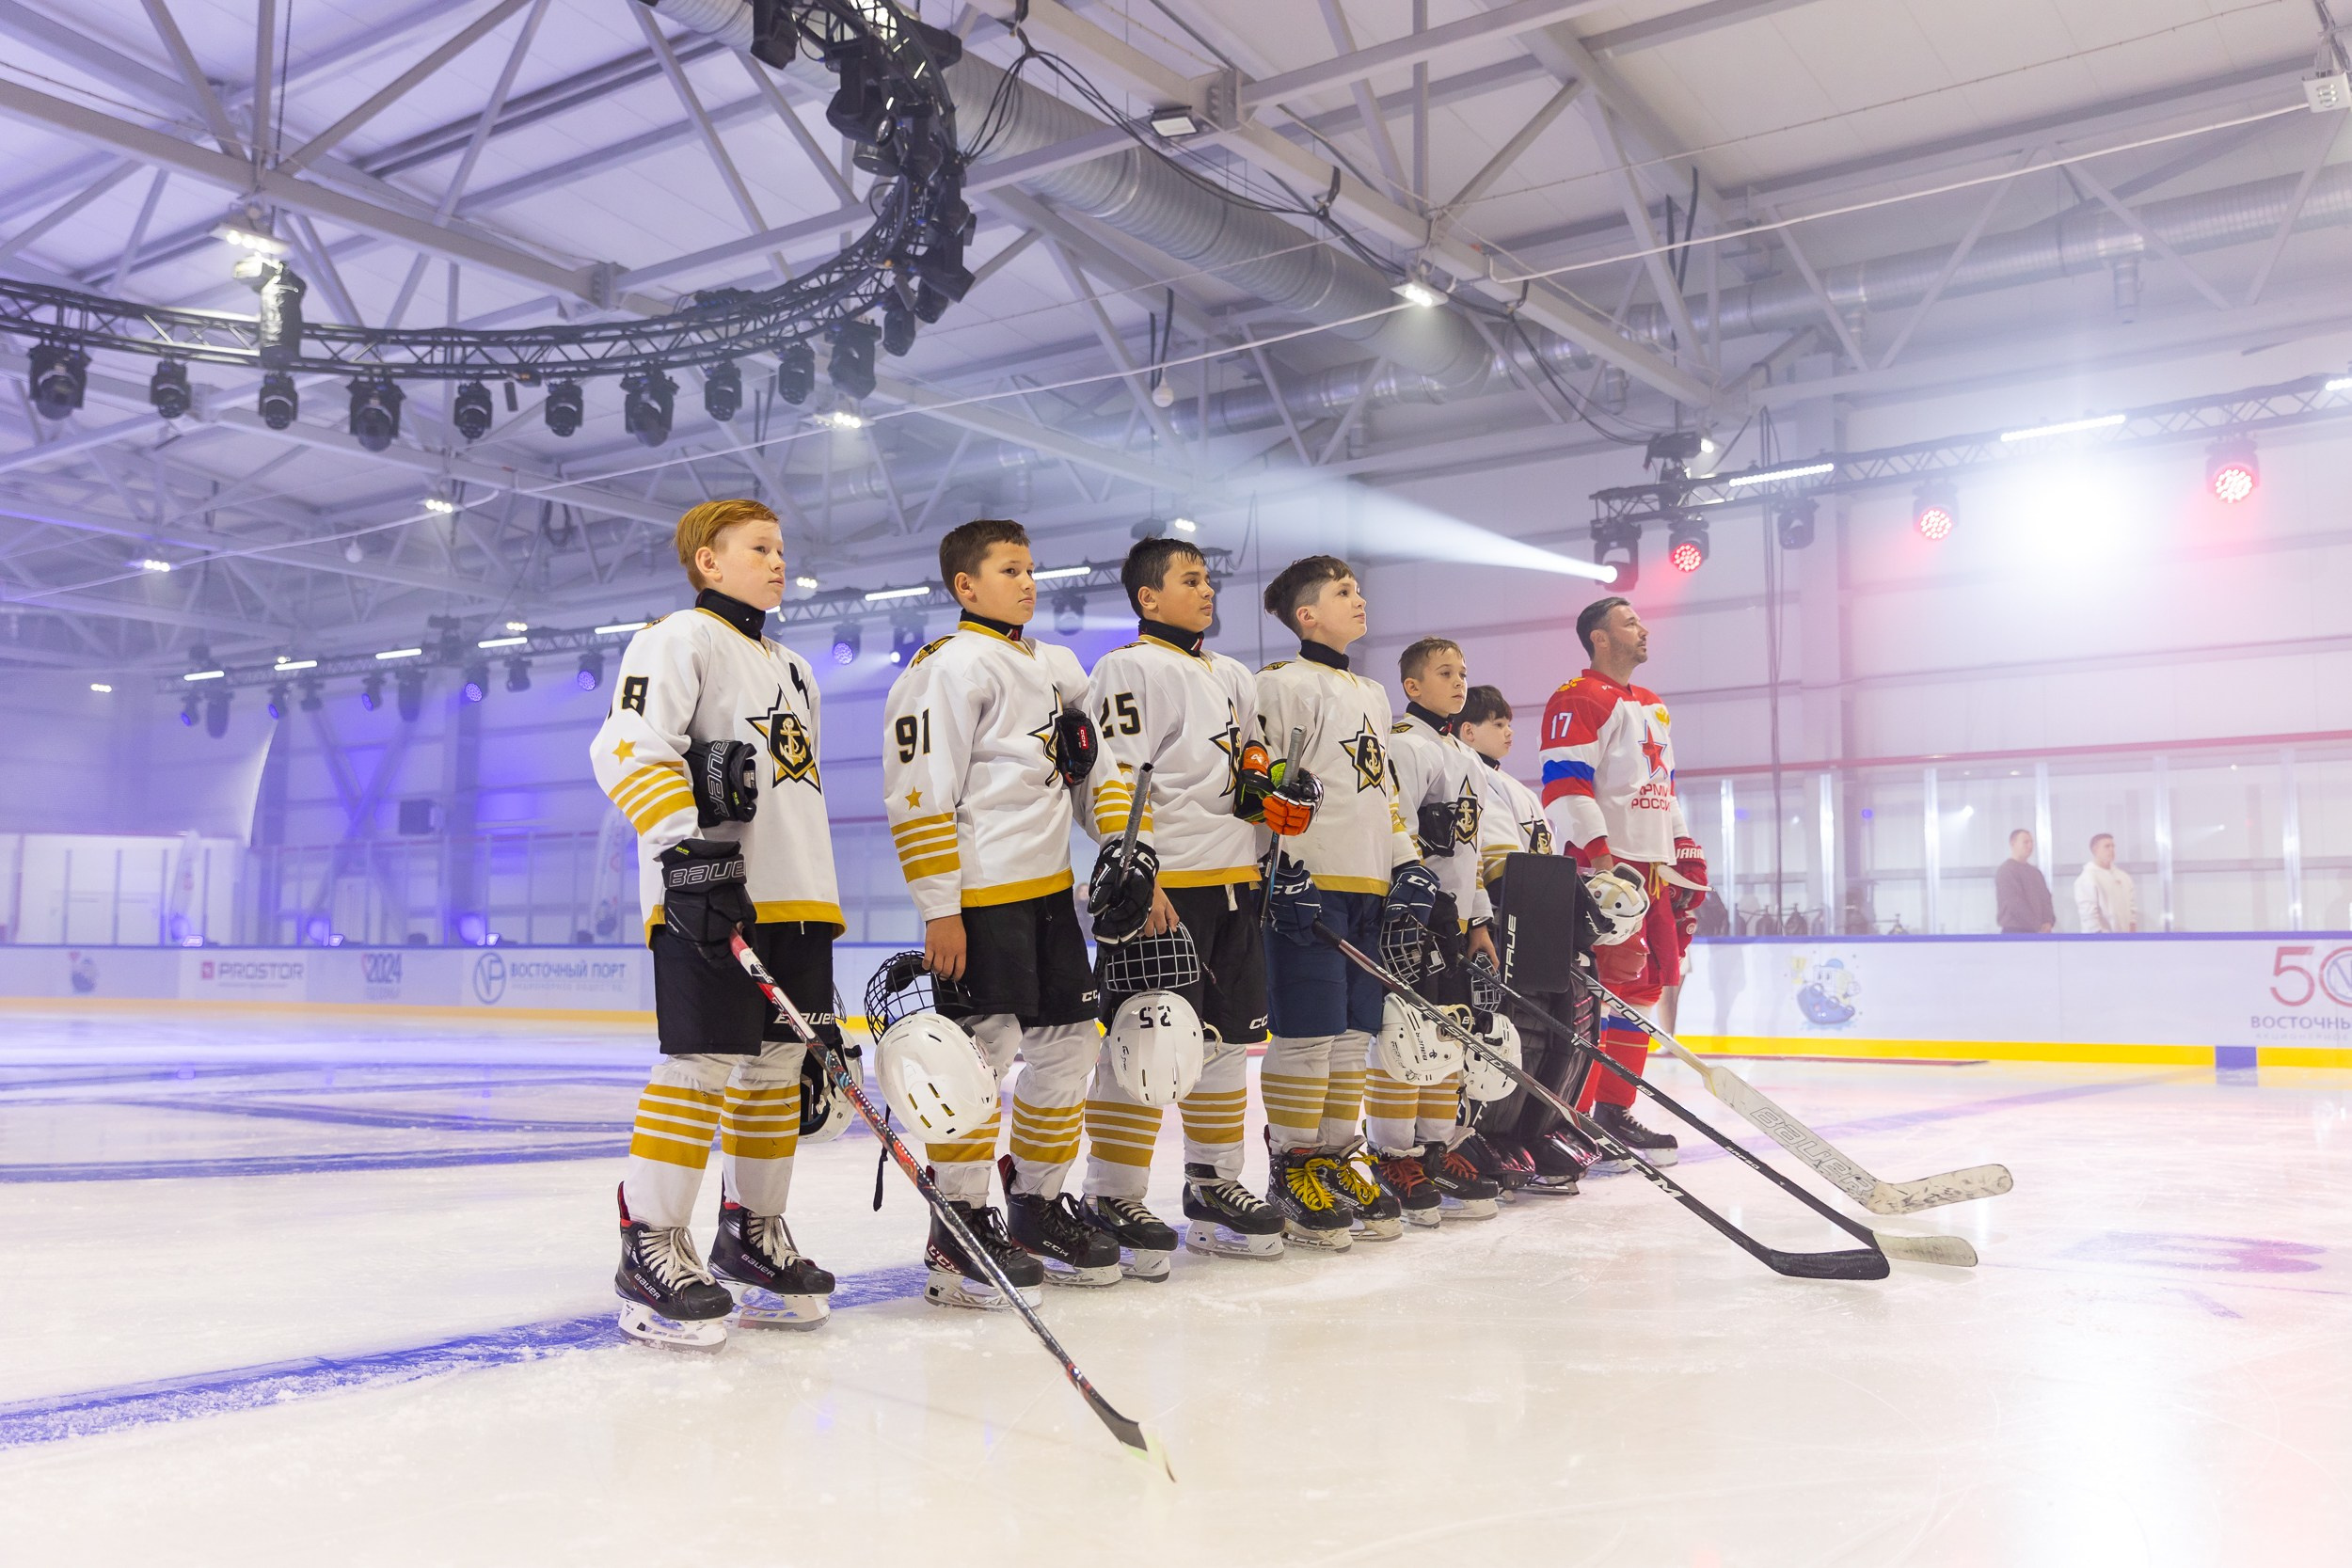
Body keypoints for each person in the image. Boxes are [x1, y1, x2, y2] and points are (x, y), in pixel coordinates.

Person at [592, 499, 844, 1349]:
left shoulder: (797, 667)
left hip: (797, 896)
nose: (779, 561)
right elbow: (625, 743)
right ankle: (650, 1243)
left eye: (782, 547)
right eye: (760, 548)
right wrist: (682, 852)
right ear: (709, 561)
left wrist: (819, 900)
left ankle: (753, 1232)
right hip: (711, 891)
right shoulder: (677, 640)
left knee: (775, 1069)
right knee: (700, 1064)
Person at [881, 518, 1122, 1304]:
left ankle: (1038, 1205)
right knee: (981, 1059)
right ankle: (957, 1225)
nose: (1028, 582)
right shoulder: (946, 668)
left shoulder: (1055, 666)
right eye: (1010, 569)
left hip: (1051, 893)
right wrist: (938, 907)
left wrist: (1122, 846)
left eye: (1031, 568)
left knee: (1066, 1052)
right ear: (965, 585)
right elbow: (919, 791)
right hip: (981, 900)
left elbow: (1094, 767)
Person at [1073, 535, 1301, 1272]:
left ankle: (1212, 1185)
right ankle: (1112, 1191)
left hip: (1236, 882)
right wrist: (1136, 869)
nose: (1207, 591)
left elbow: (1247, 776)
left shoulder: (1232, 673)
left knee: (1227, 1041)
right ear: (1148, 597)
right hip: (1165, 889)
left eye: (1208, 579)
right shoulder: (1127, 668)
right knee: (1144, 1040)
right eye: (1191, 580)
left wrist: (1277, 810)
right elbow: (1110, 775)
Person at [1253, 555, 1428, 1246]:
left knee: (1354, 1036)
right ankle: (1290, 1163)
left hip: (1368, 886)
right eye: (1343, 592)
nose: (1360, 600)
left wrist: (1407, 863)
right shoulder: (1278, 684)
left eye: (1359, 589)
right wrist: (1275, 866)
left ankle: (1331, 1156)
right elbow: (1260, 786)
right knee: (1306, 1033)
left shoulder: (1373, 693)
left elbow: (1381, 791)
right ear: (1307, 615)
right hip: (1308, 885)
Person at [1539, 596, 1708, 1167]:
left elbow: (1664, 787)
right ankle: (1579, 1118)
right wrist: (1600, 861)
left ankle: (1613, 1111)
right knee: (1593, 996)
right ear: (1599, 638)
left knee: (1640, 992)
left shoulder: (1654, 706)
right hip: (1605, 873)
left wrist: (1684, 853)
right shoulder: (1576, 697)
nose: (1644, 630)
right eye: (1630, 622)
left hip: (1651, 873)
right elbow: (1565, 785)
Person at [1375, 639, 1502, 1222]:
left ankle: (1432, 1146)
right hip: (1413, 913)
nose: (1459, 683)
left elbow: (1470, 848)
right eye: (1445, 673)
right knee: (1404, 1037)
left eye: (1463, 673)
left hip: (1453, 917)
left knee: (1449, 1033)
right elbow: (1391, 825)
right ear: (1412, 687)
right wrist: (1410, 907)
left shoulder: (1464, 754)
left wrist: (1478, 922)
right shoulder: (1405, 745)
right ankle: (1391, 1153)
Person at [2074, 832, 2138, 932]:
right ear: (2095, 850)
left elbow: (2131, 909)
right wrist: (2101, 937)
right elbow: (2088, 914)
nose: (2111, 850)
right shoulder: (2087, 878)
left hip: (2124, 938)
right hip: (2100, 941)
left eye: (2113, 846)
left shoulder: (2123, 877)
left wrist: (2132, 933)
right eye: (2107, 846)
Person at [1994, 829, 2056, 933]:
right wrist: (2037, 925)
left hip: (2037, 931)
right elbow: (2014, 903)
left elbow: (2046, 899)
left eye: (2031, 842)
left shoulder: (2036, 873)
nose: (2030, 846)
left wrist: (2048, 921)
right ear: (2013, 843)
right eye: (2026, 842)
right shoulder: (2006, 871)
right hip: (2015, 931)